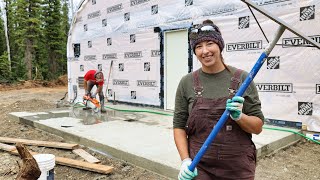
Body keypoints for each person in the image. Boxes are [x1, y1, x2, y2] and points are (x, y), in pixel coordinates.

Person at [173, 19, 264, 180]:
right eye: (198, 46)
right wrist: (185, 160)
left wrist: (240, 117)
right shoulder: (186, 82)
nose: (205, 51)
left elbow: (257, 127)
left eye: (209, 43)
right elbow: (179, 126)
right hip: (199, 166)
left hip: (237, 167)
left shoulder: (243, 78)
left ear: (219, 45)